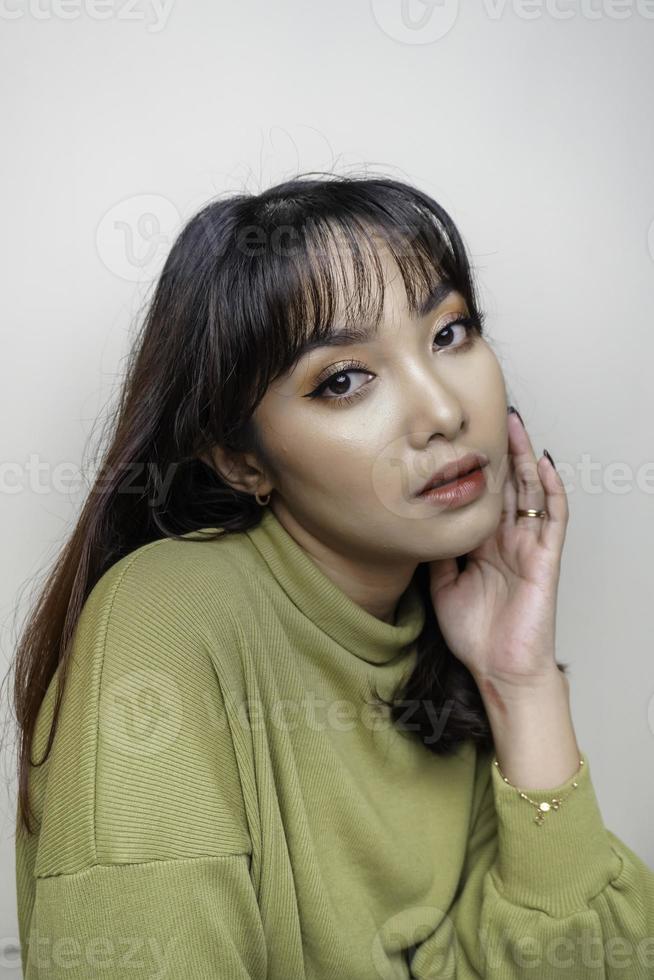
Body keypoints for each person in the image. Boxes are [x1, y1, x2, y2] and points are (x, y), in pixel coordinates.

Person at [11, 173, 654, 978]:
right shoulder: (163, 616)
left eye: (449, 334)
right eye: (344, 379)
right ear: (243, 461)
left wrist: (520, 685)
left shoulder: (443, 625)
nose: (442, 411)